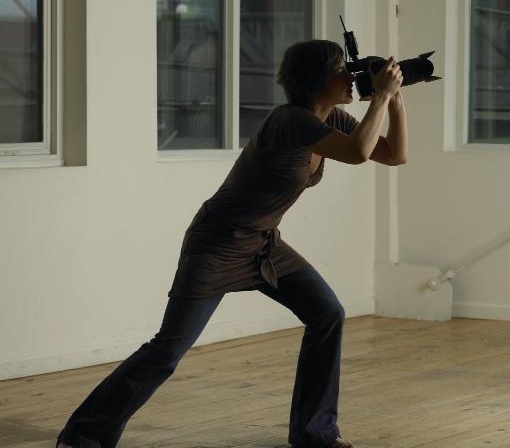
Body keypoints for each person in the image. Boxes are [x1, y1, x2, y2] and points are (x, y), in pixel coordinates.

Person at [56, 40, 409, 448]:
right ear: (317, 80)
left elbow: (395, 154)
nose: (351, 76)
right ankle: (83, 434)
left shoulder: (336, 120)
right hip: (218, 243)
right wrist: (380, 95)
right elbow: (358, 153)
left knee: (327, 313)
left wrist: (395, 101)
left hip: (263, 244)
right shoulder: (289, 120)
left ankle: (316, 434)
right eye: (341, 70)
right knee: (168, 349)